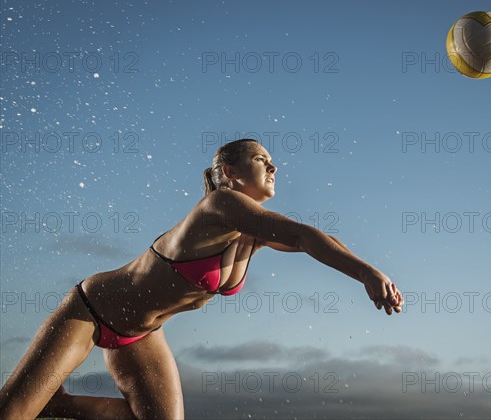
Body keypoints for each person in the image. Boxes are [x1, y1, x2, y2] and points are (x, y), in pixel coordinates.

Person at [0, 138, 403, 419]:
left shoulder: (253, 230)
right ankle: (39, 403)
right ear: (229, 171)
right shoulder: (220, 203)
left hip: (142, 336)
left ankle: (60, 405)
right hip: (91, 311)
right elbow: (300, 234)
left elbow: (317, 239)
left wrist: (363, 269)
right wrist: (367, 274)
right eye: (262, 159)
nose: (274, 166)